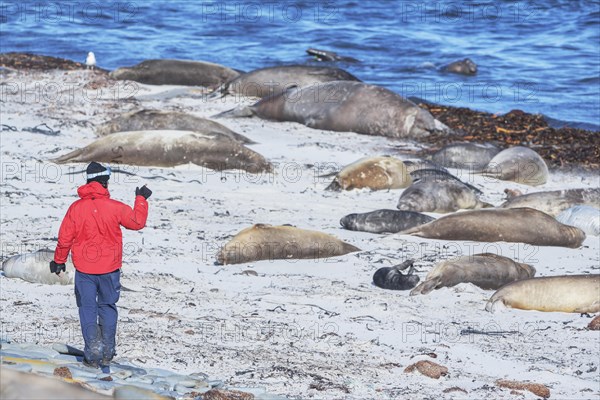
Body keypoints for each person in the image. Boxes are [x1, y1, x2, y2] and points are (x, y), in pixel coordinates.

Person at [50, 162, 151, 371]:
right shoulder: (115, 207)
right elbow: (137, 222)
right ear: (105, 182)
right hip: (110, 269)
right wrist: (141, 199)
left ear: (88, 181)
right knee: (107, 307)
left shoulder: (75, 209)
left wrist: (59, 261)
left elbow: (65, 238)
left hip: (85, 271)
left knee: (87, 308)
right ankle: (107, 352)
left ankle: (92, 350)